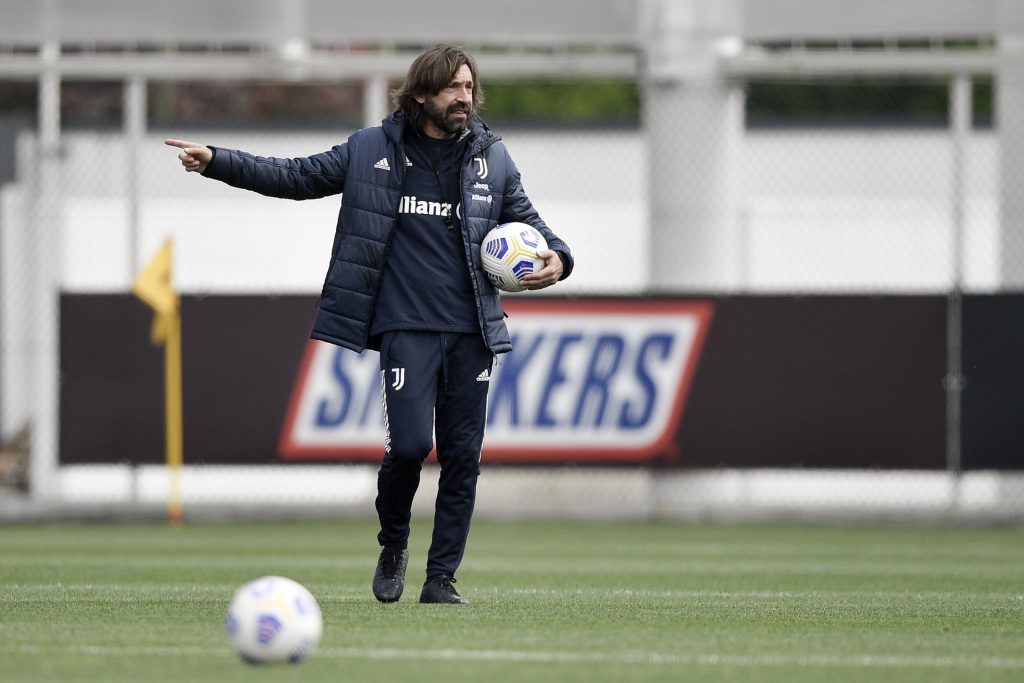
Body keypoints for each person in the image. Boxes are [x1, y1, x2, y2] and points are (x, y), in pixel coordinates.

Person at [165, 44, 573, 605]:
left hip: (472, 329)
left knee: (462, 456)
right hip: (405, 325)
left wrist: (559, 257)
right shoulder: (370, 150)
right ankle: (394, 542)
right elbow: (295, 176)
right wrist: (218, 160)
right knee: (408, 447)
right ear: (423, 94)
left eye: (469, 88)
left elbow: (531, 223)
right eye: (453, 88)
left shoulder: (491, 157)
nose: (465, 98)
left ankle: (441, 578)